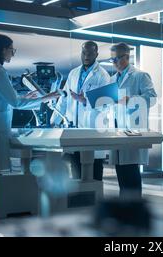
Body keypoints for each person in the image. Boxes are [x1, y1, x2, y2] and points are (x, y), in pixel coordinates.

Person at [0, 34, 59, 227]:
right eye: (11, 50)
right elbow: (15, 102)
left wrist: (24, 95)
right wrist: (44, 98)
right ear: (2, 49)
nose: (12, 54)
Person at [50, 40, 111, 181]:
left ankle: (96, 203)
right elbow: (64, 99)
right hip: (74, 132)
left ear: (97, 54)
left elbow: (106, 103)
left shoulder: (103, 75)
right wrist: (54, 121)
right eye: (84, 52)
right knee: (76, 172)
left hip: (92, 131)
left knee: (94, 174)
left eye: (90, 53)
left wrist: (84, 101)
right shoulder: (73, 73)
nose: (86, 56)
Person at [108, 42, 157, 198]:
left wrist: (132, 100)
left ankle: (134, 210)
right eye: (112, 60)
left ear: (127, 57)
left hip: (132, 131)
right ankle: (124, 209)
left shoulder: (140, 76)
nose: (114, 63)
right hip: (116, 130)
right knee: (121, 173)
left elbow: (152, 98)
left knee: (131, 173)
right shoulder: (112, 79)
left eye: (116, 59)